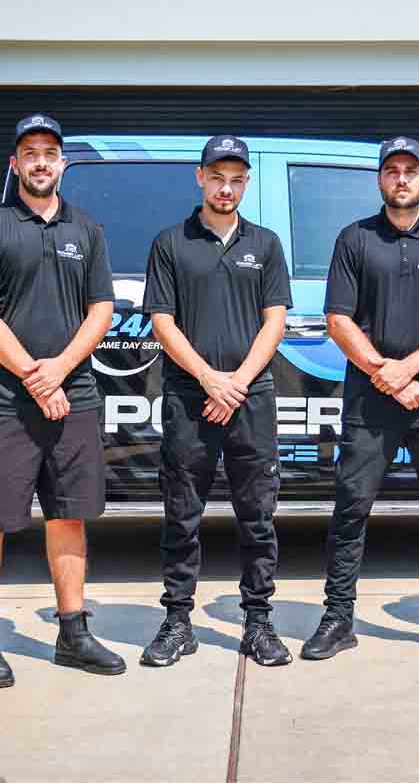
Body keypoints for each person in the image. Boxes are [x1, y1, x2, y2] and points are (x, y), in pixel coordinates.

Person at [301, 137, 419, 663]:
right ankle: (338, 619)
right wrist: (387, 374)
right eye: (392, 170)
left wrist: (407, 369)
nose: (402, 178)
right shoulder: (355, 239)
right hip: (370, 402)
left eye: (411, 170)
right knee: (350, 510)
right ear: (380, 179)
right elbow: (338, 320)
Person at [0, 114, 125, 687]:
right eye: (30, 152)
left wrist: (59, 372)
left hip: (73, 395)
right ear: (15, 164)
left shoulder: (87, 230)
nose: (40, 162)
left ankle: (72, 633)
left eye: (50, 153)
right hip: (3, 400)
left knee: (68, 514)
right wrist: (36, 377)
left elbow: (101, 310)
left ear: (63, 164)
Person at [141, 135, 294, 667]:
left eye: (235, 180)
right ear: (200, 178)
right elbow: (162, 321)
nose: (225, 189)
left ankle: (259, 623)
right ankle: (177, 622)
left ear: (246, 184)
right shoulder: (170, 243)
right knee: (182, 514)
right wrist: (209, 379)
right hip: (190, 397)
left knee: (258, 515)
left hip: (251, 398)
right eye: (217, 178)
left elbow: (275, 321)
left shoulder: (266, 244)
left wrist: (237, 384)